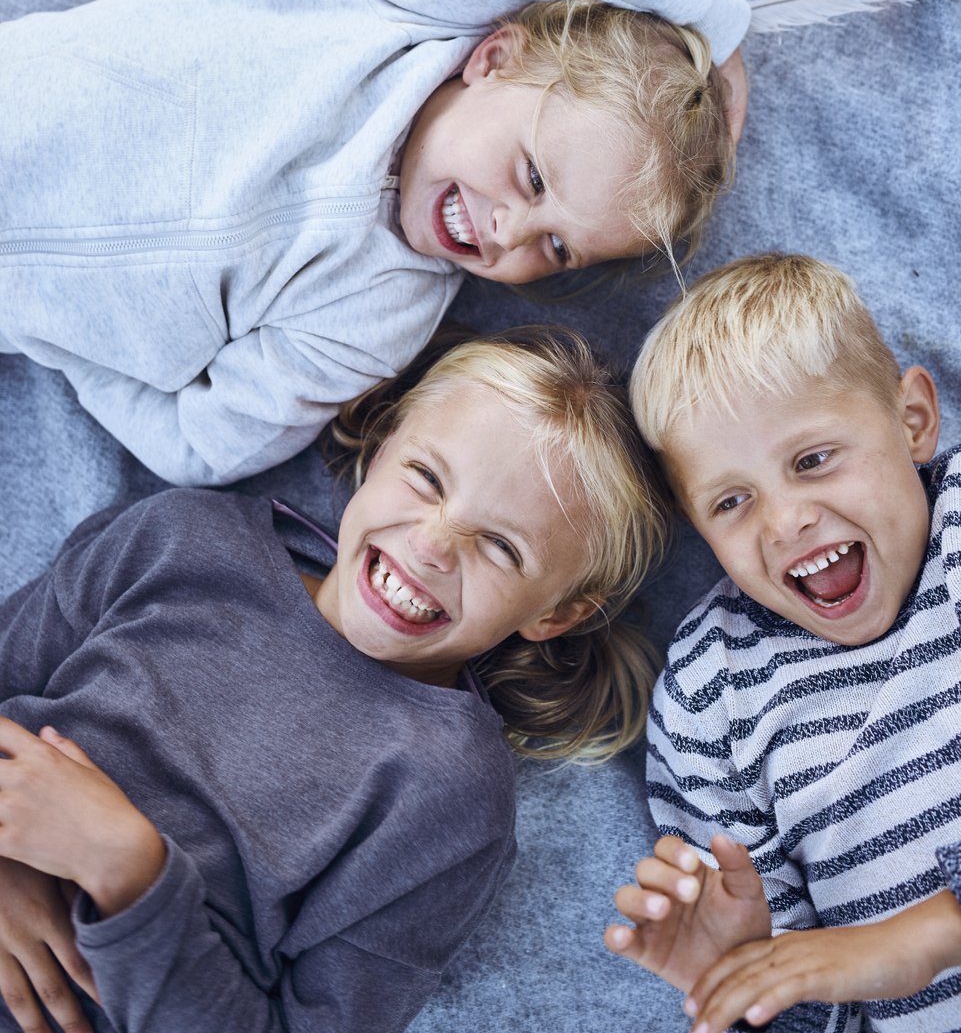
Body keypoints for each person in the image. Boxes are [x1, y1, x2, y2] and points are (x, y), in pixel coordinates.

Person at [0, 327, 668, 1033]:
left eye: (502, 547)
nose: (432, 544)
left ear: (556, 613)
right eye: (427, 478)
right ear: (381, 452)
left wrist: (129, 872)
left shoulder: (449, 794)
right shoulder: (180, 538)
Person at [0, 0, 750, 486]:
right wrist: (719, 31)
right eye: (529, 177)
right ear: (494, 61)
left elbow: (206, 446)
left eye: (555, 247)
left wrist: (65, 346)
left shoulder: (380, 313)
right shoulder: (393, 13)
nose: (510, 231)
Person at [605, 253, 961, 1032]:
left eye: (811, 461)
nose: (782, 521)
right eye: (731, 501)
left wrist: (931, 935)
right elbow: (814, 995)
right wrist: (751, 978)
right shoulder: (711, 695)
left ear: (912, 422)